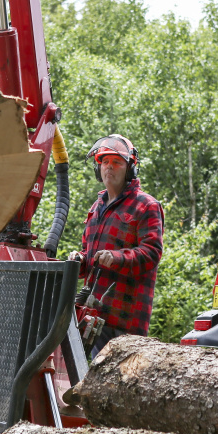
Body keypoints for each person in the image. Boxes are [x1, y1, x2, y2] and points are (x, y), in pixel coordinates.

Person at [68, 134, 164, 357]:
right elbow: (90, 256)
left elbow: (152, 253)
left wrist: (117, 257)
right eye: (104, 162)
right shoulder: (96, 207)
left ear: (130, 169)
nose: (109, 167)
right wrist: (81, 259)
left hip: (125, 320)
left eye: (117, 162)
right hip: (91, 315)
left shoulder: (146, 205)